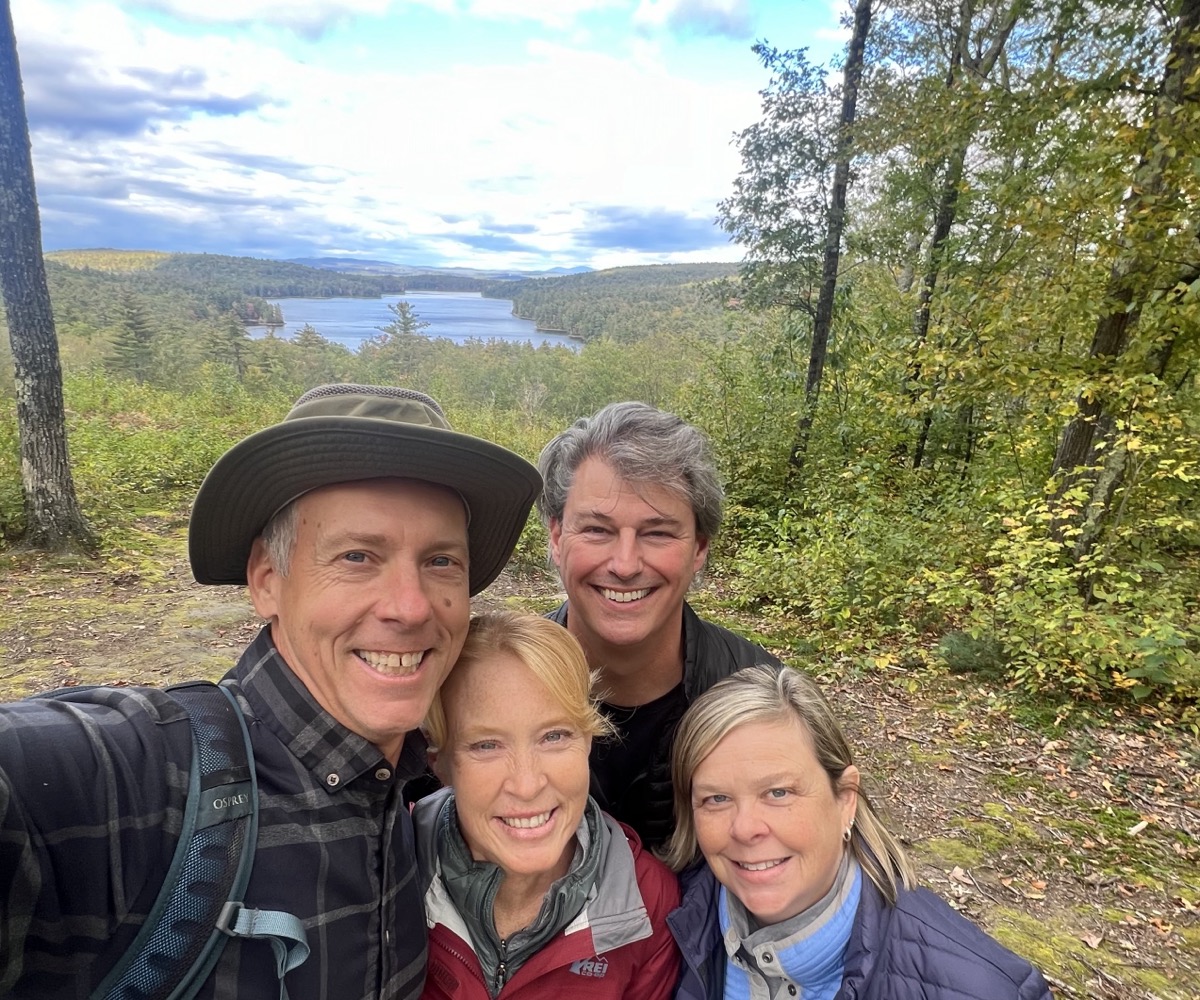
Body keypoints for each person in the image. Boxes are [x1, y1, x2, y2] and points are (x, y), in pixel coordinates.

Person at [0, 384, 542, 1000]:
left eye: (441, 561)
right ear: (266, 579)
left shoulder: (421, 784)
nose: (411, 607)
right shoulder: (144, 778)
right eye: (359, 556)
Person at [663, 664, 1054, 1000]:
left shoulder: (982, 987)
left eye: (778, 792)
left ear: (845, 799)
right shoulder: (665, 923)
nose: (745, 828)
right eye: (716, 799)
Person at [536, 401, 780, 849]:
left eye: (658, 533)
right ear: (556, 537)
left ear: (699, 550)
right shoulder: (496, 689)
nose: (625, 565)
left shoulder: (766, 700)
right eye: (596, 530)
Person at [414, 611, 681, 999]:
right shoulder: (391, 867)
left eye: (554, 736)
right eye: (486, 745)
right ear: (439, 761)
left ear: (588, 740)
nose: (527, 785)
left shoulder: (650, 901)